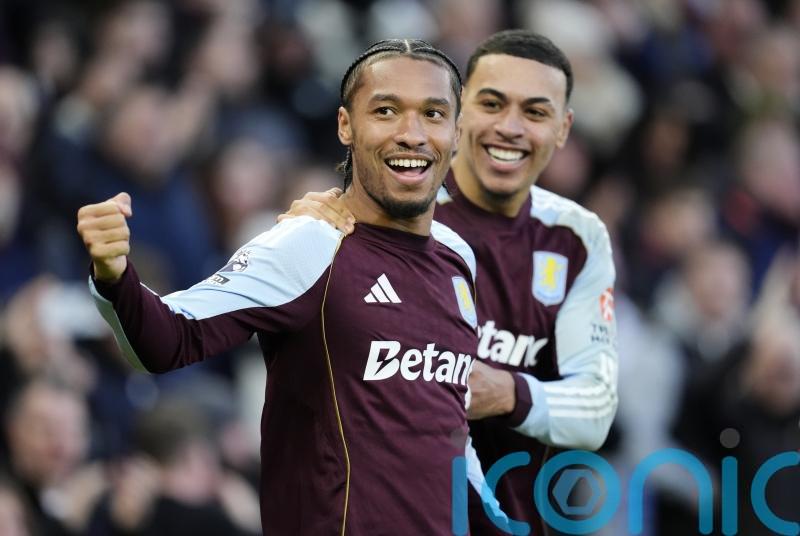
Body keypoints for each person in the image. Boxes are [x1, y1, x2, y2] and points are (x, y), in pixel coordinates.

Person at [77, 39, 493, 534]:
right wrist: (114, 273)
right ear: (346, 126)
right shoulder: (308, 244)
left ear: (457, 131)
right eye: (385, 111)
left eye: (433, 113)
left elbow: (449, 431)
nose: (411, 133)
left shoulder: (458, 260)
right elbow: (168, 340)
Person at [282, 30, 619, 534]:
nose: (510, 127)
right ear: (458, 115)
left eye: (535, 112)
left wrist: (504, 390)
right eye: (492, 103)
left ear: (563, 128)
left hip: (510, 519)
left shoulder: (578, 238)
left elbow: (595, 409)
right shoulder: (379, 213)